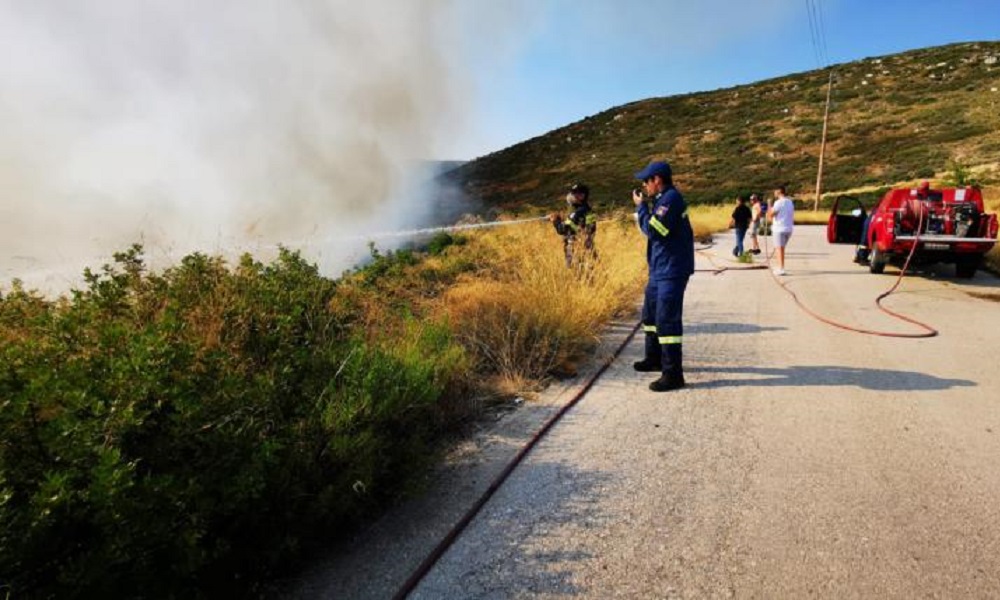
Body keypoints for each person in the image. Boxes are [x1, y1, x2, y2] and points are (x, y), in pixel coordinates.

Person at [631, 161, 694, 392]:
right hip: (659, 269)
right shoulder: (660, 200)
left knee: (667, 320)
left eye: (646, 181)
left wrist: (640, 208)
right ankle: (654, 358)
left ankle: (673, 374)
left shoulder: (671, 199)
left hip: (672, 270)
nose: (644, 186)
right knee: (650, 316)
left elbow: (655, 230)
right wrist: (646, 207)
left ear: (657, 179)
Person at [549, 183, 597, 268]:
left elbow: (562, 229)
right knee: (591, 273)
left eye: (578, 193)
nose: (574, 196)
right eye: (573, 193)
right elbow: (588, 229)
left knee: (578, 274)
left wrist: (555, 221)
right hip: (588, 247)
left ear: (584, 195)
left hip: (575, 249)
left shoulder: (577, 212)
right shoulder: (588, 209)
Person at [767, 184, 795, 276]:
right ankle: (779, 266)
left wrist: (769, 205)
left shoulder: (778, 203)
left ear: (779, 192)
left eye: (775, 191)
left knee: (779, 249)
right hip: (789, 229)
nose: (774, 193)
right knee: (780, 248)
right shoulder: (790, 202)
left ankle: (781, 268)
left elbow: (770, 215)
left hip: (779, 229)